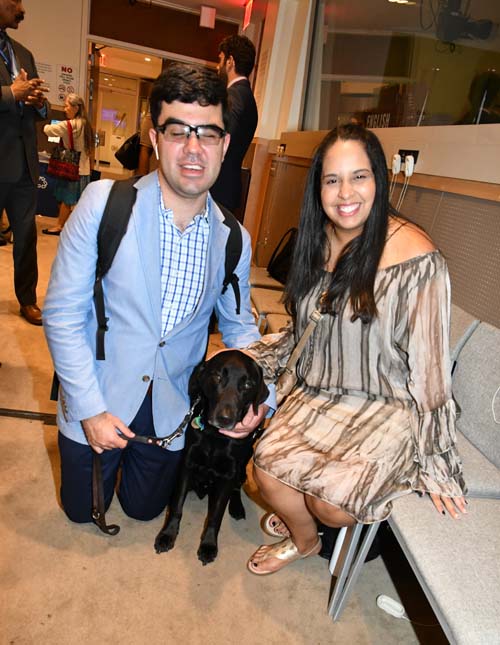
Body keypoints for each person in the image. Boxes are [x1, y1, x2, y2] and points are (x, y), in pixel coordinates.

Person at [43, 63, 271, 526]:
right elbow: (62, 314)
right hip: (101, 393)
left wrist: (263, 400)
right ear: (154, 137)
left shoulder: (234, 239)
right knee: (82, 513)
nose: (192, 148)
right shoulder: (104, 203)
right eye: (177, 130)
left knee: (144, 512)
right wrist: (89, 410)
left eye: (207, 133)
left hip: (171, 405)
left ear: (225, 145)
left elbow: (240, 326)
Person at [243, 123, 467, 575]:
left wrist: (439, 461)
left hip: (389, 403)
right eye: (332, 179)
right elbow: (306, 329)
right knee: (264, 472)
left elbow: (430, 372)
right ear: (318, 187)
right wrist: (255, 359)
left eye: (359, 176)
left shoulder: (415, 258)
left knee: (330, 505)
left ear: (379, 180)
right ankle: (304, 542)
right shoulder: (318, 239)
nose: (345, 192)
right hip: (323, 392)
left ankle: (319, 522)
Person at [0, 0, 48, 326]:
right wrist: (10, 93)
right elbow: (12, 94)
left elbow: (36, 108)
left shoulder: (24, 52)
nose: (20, 7)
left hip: (24, 167)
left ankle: (27, 299)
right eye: (13, 2)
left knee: (27, 238)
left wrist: (39, 102)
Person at [210, 34, 258, 219]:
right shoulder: (245, 95)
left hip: (219, 188)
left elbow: (223, 138)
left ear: (230, 61)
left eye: (220, 59)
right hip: (227, 187)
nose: (217, 65)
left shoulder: (235, 95)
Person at [41, 93, 93, 235]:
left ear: (76, 108)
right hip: (83, 168)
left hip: (70, 169)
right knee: (75, 200)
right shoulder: (86, 124)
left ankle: (59, 226)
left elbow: (47, 130)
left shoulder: (69, 125)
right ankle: (71, 226)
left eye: (67, 106)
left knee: (66, 199)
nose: (65, 109)